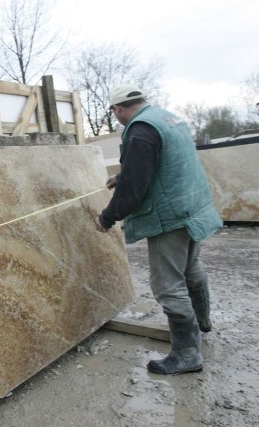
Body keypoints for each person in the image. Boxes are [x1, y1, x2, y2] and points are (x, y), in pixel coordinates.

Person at [94, 83, 222, 375]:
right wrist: (125, 174)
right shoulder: (167, 118)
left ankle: (188, 354)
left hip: (172, 217)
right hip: (193, 207)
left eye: (114, 112)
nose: (116, 116)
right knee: (191, 270)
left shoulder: (140, 131)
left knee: (167, 285)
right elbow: (162, 161)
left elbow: (134, 190)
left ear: (117, 109)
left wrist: (107, 217)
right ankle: (202, 324)